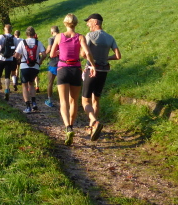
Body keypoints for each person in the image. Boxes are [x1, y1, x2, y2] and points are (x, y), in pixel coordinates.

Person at [51, 13, 95, 146]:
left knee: (63, 101)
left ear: (65, 23)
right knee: (74, 101)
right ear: (75, 23)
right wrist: (93, 65)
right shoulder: (80, 37)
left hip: (62, 69)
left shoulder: (59, 37)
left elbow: (52, 54)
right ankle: (71, 124)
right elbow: (87, 53)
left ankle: (68, 128)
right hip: (76, 69)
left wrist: (58, 52)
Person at [82, 13, 121, 141]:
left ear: (95, 22)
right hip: (103, 71)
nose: (87, 24)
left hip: (91, 70)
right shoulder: (110, 37)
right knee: (96, 100)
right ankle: (91, 128)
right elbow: (118, 56)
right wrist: (106, 57)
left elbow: (83, 54)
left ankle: (94, 122)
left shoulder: (90, 35)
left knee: (85, 101)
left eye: (89, 21)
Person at [14, 26, 46, 113]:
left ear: (26, 34)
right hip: (35, 67)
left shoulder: (22, 42)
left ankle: (28, 107)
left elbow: (16, 55)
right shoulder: (38, 42)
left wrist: (19, 59)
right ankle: (34, 103)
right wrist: (40, 62)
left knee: (24, 86)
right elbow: (44, 54)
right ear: (34, 34)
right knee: (31, 84)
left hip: (24, 66)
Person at [0, 24, 17, 100]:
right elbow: (16, 49)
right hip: (9, 59)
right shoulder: (14, 38)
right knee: (7, 76)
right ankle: (6, 90)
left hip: (1, 58)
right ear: (11, 30)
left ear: (4, 29)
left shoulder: (1, 37)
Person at [44, 25, 60, 107]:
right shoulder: (62, 38)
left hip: (53, 63)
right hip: (62, 63)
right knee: (61, 83)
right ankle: (62, 101)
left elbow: (49, 48)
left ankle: (49, 100)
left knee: (50, 82)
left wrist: (44, 53)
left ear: (52, 32)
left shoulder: (51, 39)